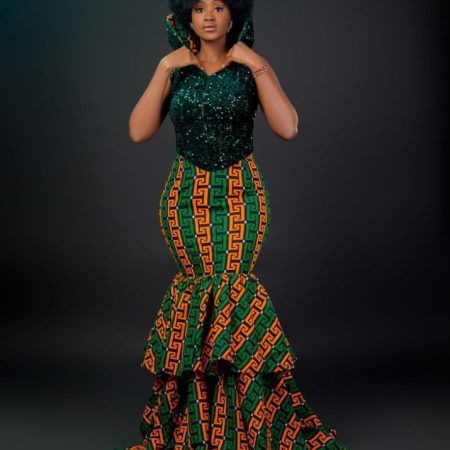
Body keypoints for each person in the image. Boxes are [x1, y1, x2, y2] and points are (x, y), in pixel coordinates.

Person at [118, 0, 349, 448]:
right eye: (199, 7)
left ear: (233, 15)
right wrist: (164, 66)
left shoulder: (250, 67)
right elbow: (138, 131)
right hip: (186, 198)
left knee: (232, 289)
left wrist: (257, 62)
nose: (208, 16)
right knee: (199, 292)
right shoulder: (174, 68)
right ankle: (198, 423)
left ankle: (246, 421)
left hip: (242, 194)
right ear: (187, 16)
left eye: (219, 6)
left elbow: (288, 128)